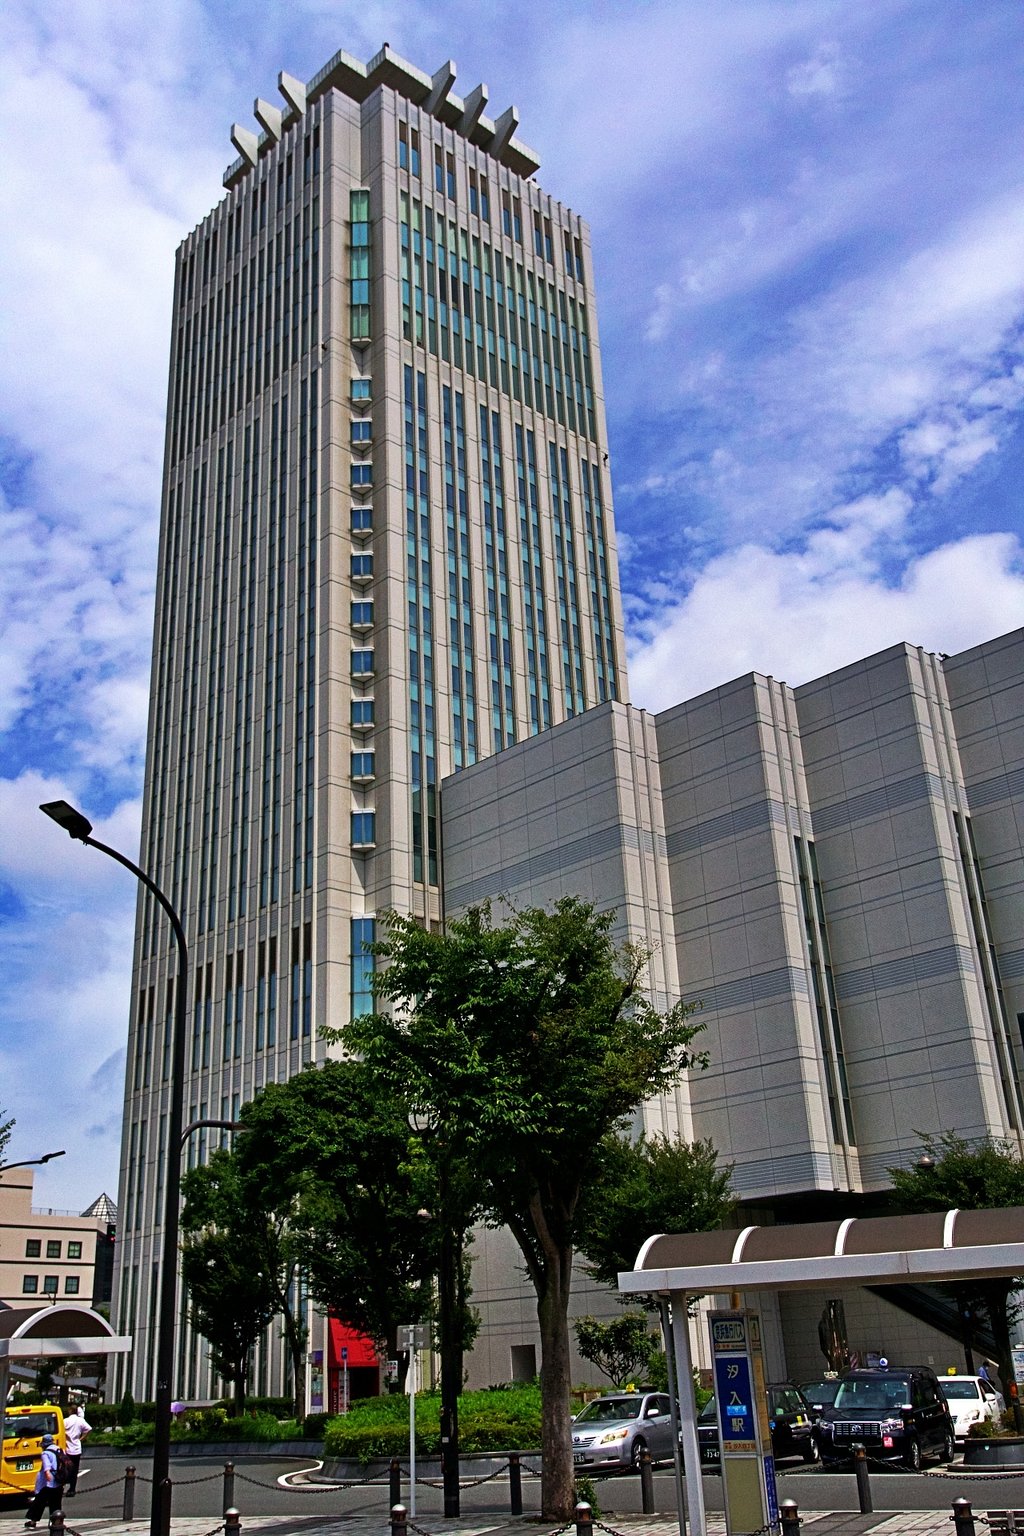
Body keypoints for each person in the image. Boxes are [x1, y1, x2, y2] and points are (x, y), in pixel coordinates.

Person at [24, 1433, 62, 1529]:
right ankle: (56, 1521)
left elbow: (46, 1466)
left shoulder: (45, 1453)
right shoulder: (59, 1449)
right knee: (56, 1502)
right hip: (59, 1478)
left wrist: (48, 1474)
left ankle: (33, 1521)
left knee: (39, 1502)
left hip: (48, 1482)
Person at [63, 1406, 91, 1495]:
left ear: (70, 1411)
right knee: (75, 1469)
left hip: (67, 1447)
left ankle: (64, 1486)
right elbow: (89, 1429)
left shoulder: (65, 1420)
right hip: (77, 1448)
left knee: (66, 1468)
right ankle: (72, 1488)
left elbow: (61, 1430)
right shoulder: (80, 1420)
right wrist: (82, 1438)